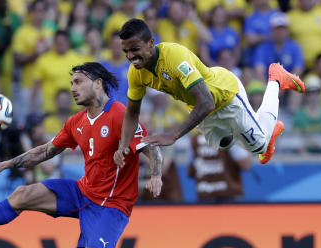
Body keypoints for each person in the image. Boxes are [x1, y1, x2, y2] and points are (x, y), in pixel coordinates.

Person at [0, 62, 163, 248]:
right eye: (71, 83)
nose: (72, 89)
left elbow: (151, 148)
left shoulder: (119, 114)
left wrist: (155, 175)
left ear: (98, 83)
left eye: (78, 82)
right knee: (22, 194)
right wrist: (5, 165)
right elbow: (46, 151)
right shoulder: (75, 122)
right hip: (83, 192)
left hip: (111, 204)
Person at [114, 18, 306, 168]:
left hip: (224, 94)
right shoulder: (136, 73)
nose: (130, 56)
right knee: (224, 143)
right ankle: (266, 128)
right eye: (126, 51)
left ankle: (276, 79)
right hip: (199, 107)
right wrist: (123, 146)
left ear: (151, 42)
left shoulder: (174, 57)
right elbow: (132, 112)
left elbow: (206, 102)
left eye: (135, 49)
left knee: (260, 147)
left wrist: (172, 135)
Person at [187, 133, 251, 203]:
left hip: (205, 195)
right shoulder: (230, 135)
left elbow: (190, 171)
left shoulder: (194, 139)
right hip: (230, 195)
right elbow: (245, 165)